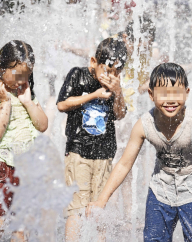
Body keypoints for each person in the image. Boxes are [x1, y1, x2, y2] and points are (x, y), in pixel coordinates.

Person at [86, 63, 192, 241]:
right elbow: (124, 164)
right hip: (160, 191)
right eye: (163, 94)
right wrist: (101, 201)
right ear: (151, 94)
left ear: (187, 92)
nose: (171, 100)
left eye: (177, 93)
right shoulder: (144, 124)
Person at [56, 37, 127, 241]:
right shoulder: (77, 75)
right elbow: (62, 105)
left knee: (99, 209)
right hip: (78, 151)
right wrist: (92, 95)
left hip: (104, 154)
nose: (111, 76)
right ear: (93, 62)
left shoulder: (115, 86)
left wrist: (118, 92)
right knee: (77, 208)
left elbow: (120, 114)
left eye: (116, 72)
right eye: (107, 70)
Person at [0, 40, 48, 241]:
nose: (20, 82)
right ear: (0, 67)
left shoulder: (25, 93)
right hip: (1, 166)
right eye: (17, 76)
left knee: (21, 227)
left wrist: (27, 101)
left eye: (26, 77)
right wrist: (5, 101)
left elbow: (42, 125)